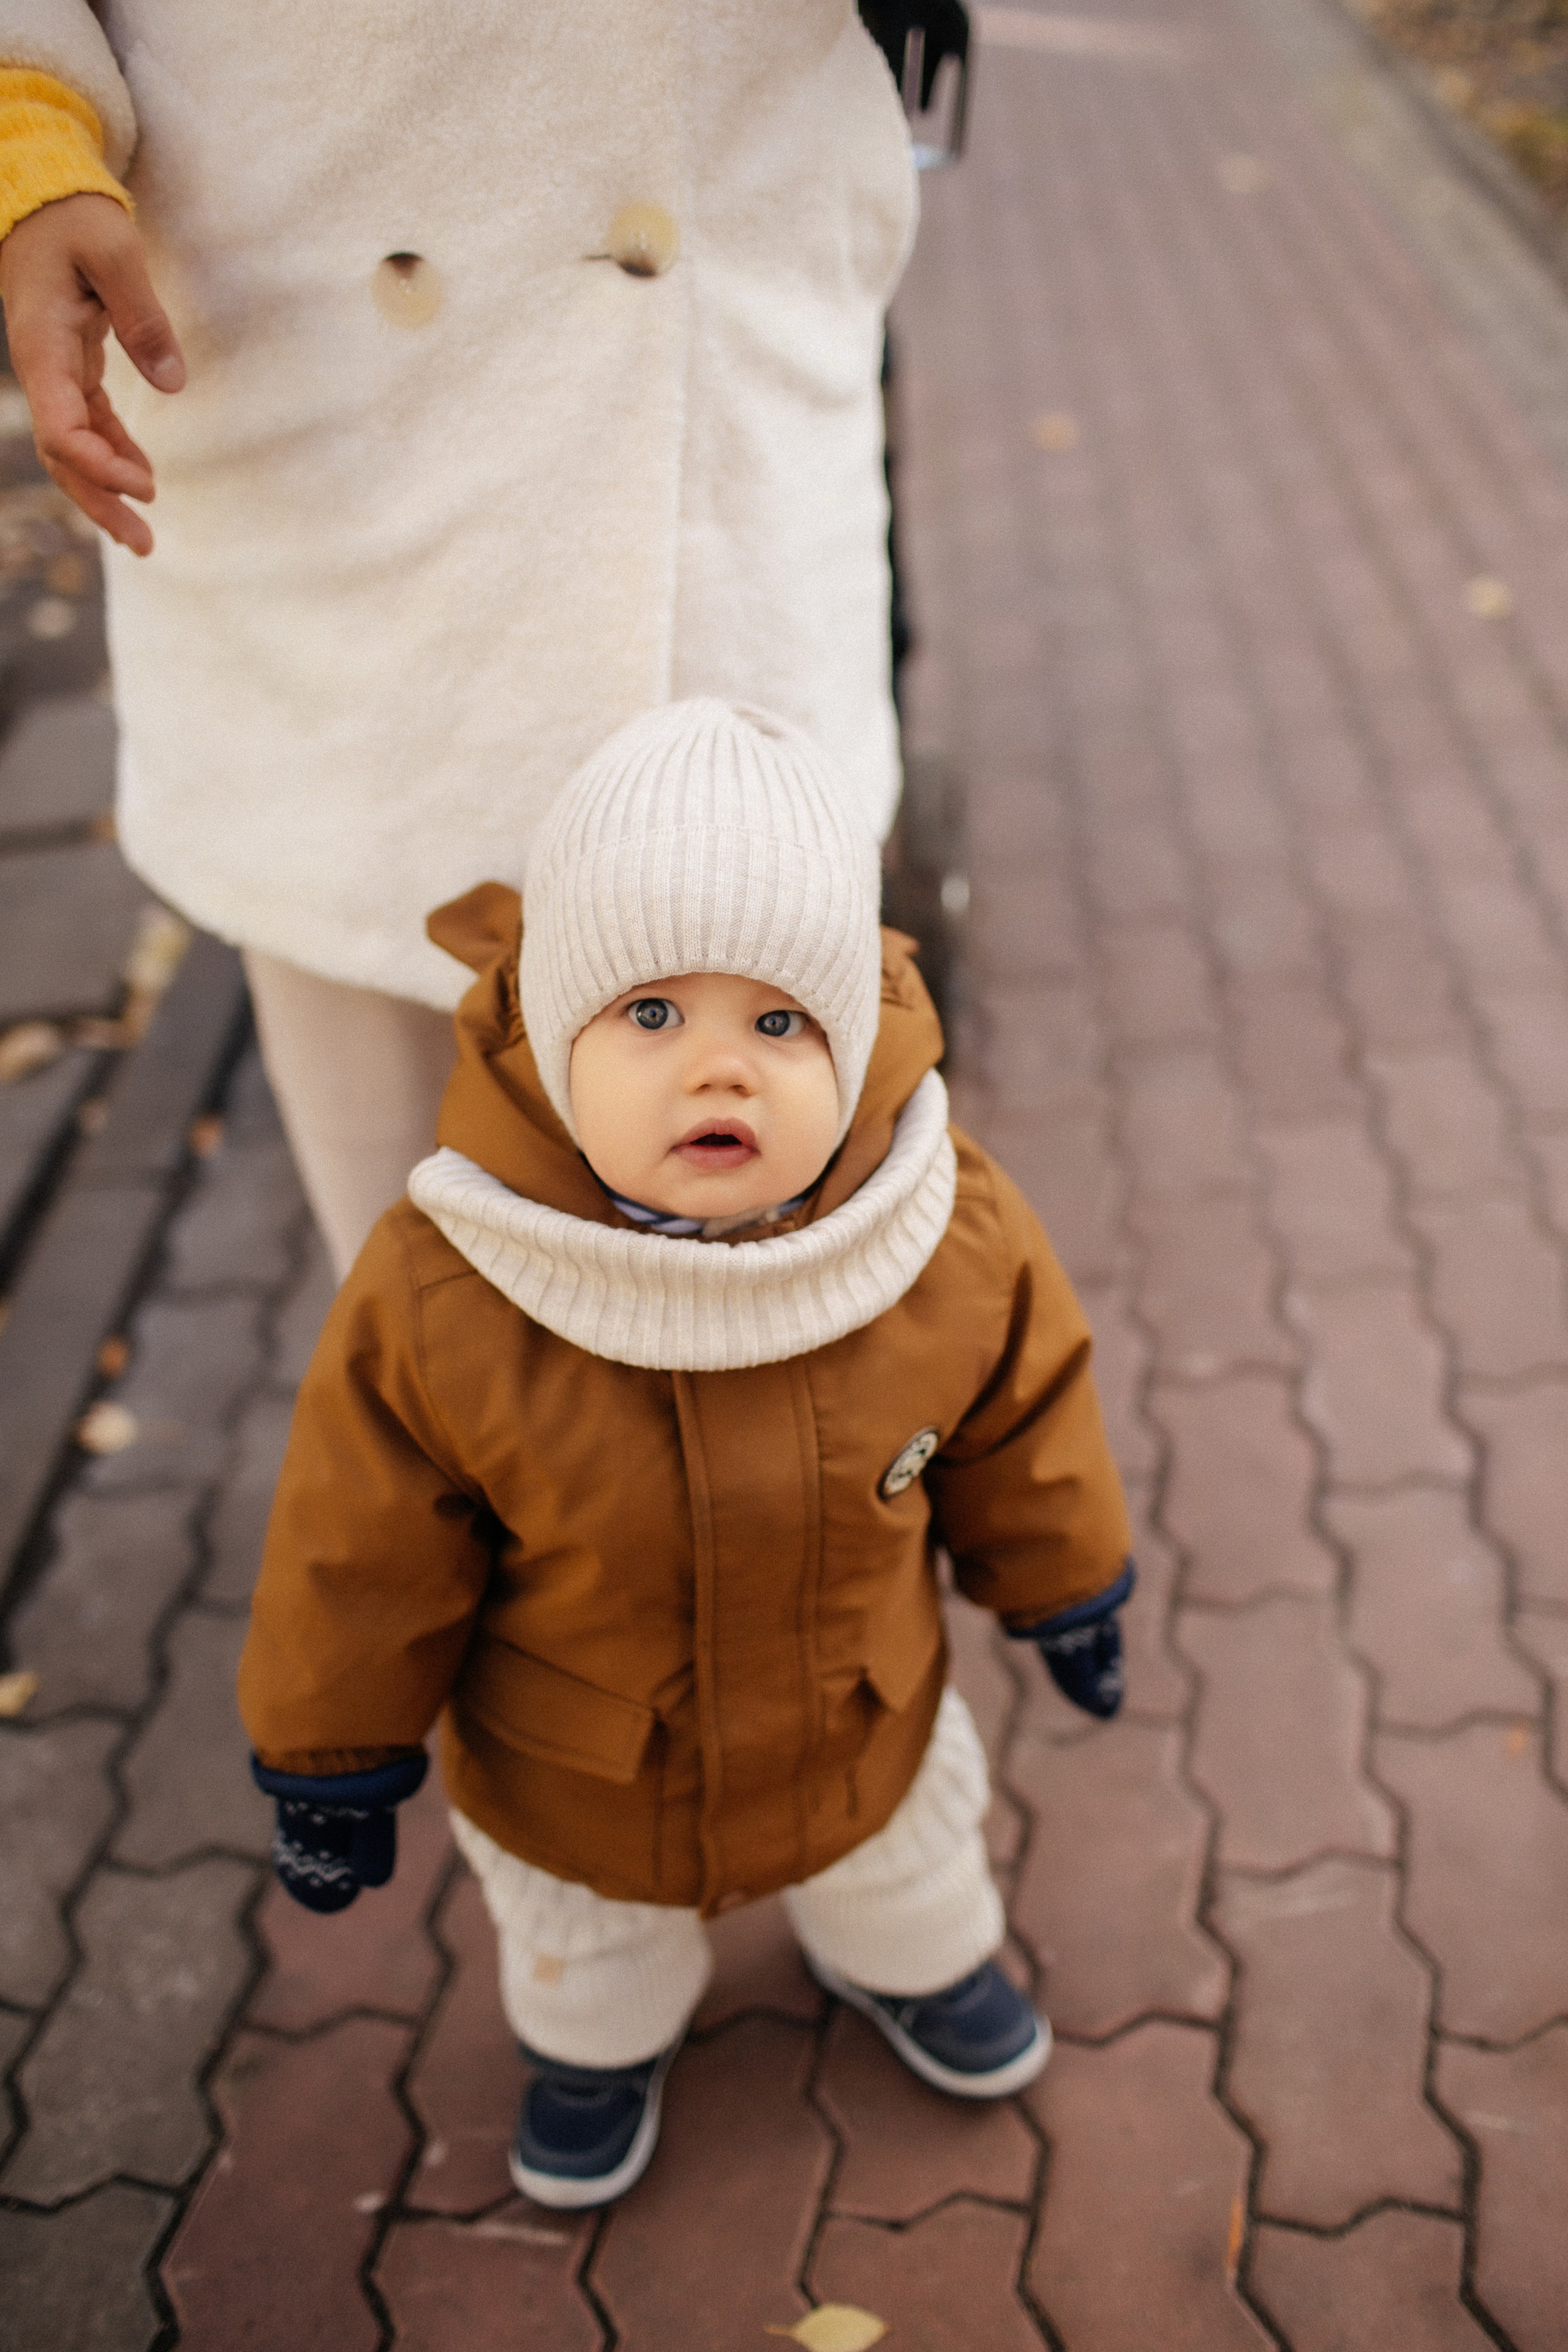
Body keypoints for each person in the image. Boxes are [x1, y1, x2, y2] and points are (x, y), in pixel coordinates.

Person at [237, 700, 1136, 2209]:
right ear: (558, 1030)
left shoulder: (938, 1225)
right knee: (591, 1943)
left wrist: (1067, 1582)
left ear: (848, 1044)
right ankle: (595, 2049)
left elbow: (1024, 1411)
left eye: (778, 1023)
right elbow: (358, 1542)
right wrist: (333, 1756)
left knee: (906, 1867)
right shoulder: (448, 1287)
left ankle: (912, 1964)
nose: (718, 1072)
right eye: (651, 1015)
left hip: (860, 1705)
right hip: (584, 1759)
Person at [0, 7, 917, 1275]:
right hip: (323, 404)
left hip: (741, 370)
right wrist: (24, 130)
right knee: (417, 1297)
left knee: (810, 1295)